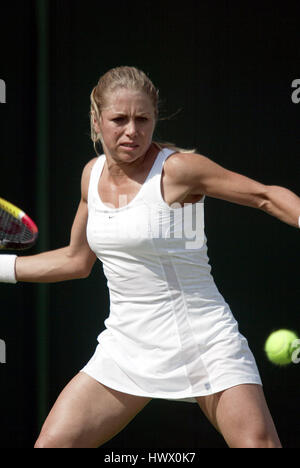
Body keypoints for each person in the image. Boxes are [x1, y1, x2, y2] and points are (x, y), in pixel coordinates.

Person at [1, 66, 299, 449]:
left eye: (143, 119)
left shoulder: (179, 170)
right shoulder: (90, 175)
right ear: (96, 119)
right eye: (119, 119)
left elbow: (266, 196)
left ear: (155, 119)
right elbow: (76, 261)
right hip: (126, 345)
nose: (132, 131)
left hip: (203, 340)